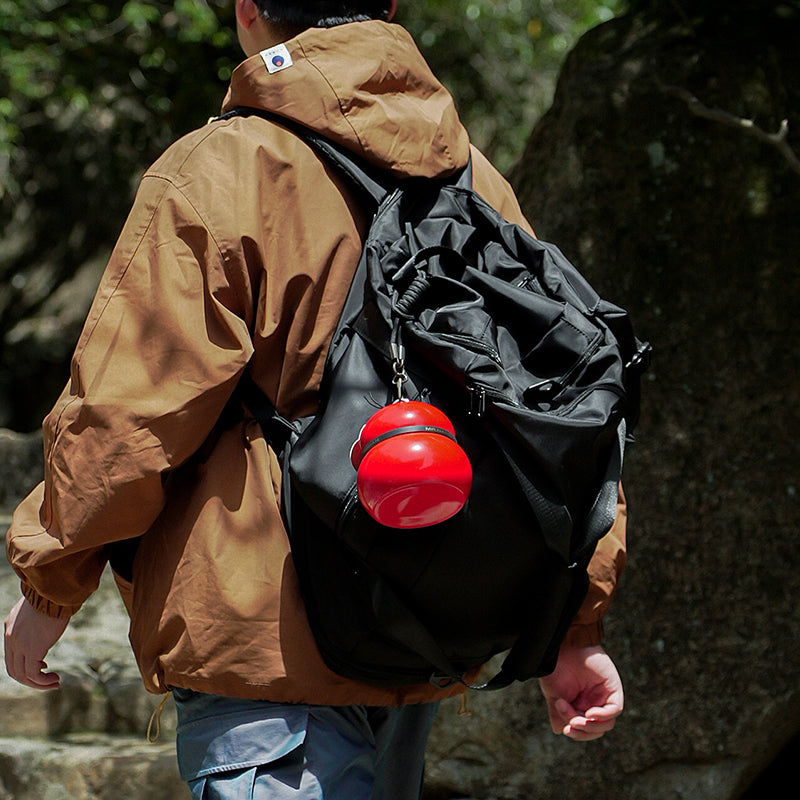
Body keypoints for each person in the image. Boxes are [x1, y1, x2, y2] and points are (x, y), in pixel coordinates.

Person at [4, 1, 627, 796]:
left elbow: (128, 411)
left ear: (247, 10)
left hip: (263, 641)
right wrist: (574, 623)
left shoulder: (222, 169)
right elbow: (559, 409)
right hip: (418, 618)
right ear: (389, 6)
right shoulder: (472, 177)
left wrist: (51, 583)